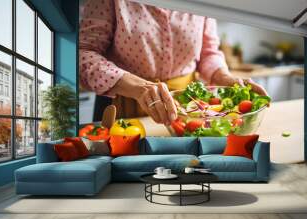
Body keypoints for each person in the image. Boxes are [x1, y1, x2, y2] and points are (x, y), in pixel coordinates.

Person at [79, 0, 267, 125]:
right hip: (124, 107)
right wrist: (139, 87)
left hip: (188, 110)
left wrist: (223, 77)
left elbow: (208, 52)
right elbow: (84, 52)